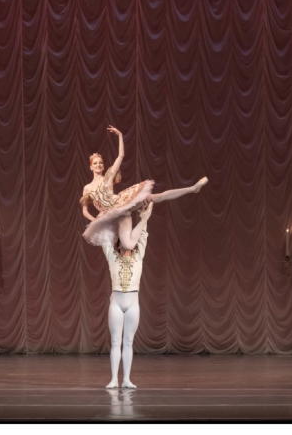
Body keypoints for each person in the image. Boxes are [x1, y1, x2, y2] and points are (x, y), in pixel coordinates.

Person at [80, 126, 206, 250]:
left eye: (100, 163)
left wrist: (120, 136)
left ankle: (192, 189)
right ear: (90, 167)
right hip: (108, 214)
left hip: (121, 205)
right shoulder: (87, 188)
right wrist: (96, 220)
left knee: (155, 197)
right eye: (95, 163)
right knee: (129, 245)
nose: (98, 165)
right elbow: (85, 211)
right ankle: (144, 219)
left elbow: (121, 156)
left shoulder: (108, 176)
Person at [103, 202, 154, 389]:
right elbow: (105, 238)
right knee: (116, 341)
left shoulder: (138, 255)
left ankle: (126, 379)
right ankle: (114, 379)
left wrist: (145, 218)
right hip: (116, 302)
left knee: (128, 342)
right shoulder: (112, 256)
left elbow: (143, 236)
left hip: (133, 303)